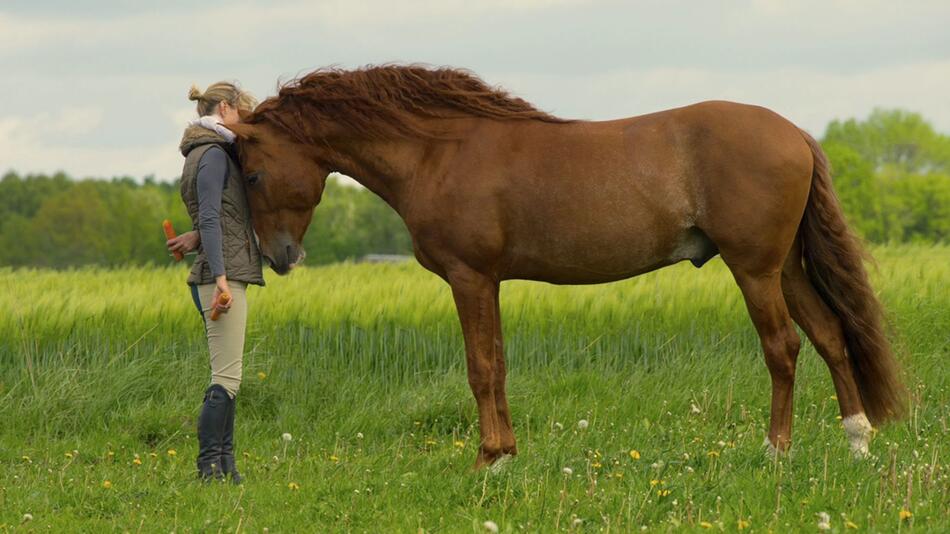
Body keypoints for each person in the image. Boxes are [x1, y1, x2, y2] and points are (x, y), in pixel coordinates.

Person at [166, 81, 264, 483]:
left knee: (229, 375)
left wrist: (192, 238)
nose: (244, 121)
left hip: (217, 270)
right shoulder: (213, 153)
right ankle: (209, 467)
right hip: (221, 276)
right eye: (241, 112)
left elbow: (211, 217)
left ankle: (226, 466)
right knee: (225, 377)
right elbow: (209, 215)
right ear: (225, 108)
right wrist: (222, 278)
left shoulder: (201, 152)